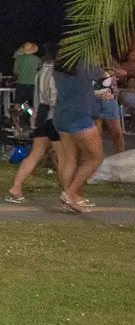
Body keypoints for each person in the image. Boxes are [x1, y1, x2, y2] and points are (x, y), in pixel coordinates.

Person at [7, 44, 61, 203]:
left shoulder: (39, 70)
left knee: (36, 154)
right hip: (51, 116)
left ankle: (16, 187)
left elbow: (15, 71)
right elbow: (53, 98)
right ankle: (70, 193)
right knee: (65, 157)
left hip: (40, 116)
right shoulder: (53, 72)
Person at [53, 59, 106, 213]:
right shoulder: (84, 66)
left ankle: (70, 197)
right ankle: (70, 194)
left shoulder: (58, 68)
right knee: (96, 157)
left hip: (61, 114)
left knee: (70, 159)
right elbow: (102, 74)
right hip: (79, 116)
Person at [96, 62, 127, 154]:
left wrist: (108, 69)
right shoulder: (85, 66)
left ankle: (121, 156)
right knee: (97, 136)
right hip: (93, 101)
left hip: (109, 101)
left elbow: (123, 73)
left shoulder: (108, 64)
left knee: (117, 133)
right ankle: (98, 158)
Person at [12, 42, 41, 109]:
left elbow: (15, 72)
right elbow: (40, 70)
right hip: (33, 84)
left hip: (21, 83)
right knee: (33, 103)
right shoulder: (37, 59)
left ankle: (16, 114)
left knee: (18, 102)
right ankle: (30, 114)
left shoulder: (18, 58)